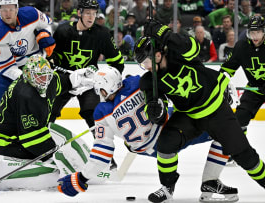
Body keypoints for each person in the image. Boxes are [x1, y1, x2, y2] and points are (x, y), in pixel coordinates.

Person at [57, 66, 239, 202]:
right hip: (175, 125)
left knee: (154, 144)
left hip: (149, 147)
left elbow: (101, 154)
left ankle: (170, 187)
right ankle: (210, 181)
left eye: (100, 90)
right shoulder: (135, 83)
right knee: (226, 134)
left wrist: (81, 178)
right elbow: (169, 81)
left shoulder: (101, 113)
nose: (100, 94)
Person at [133, 20, 265, 202]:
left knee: (244, 155)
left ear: (157, 54)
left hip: (216, 109)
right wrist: (156, 112)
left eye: (146, 61)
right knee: (165, 143)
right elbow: (157, 110)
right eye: (142, 64)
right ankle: (167, 187)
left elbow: (192, 46)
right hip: (189, 115)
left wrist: (164, 33)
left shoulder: (178, 54)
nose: (145, 67)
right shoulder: (149, 81)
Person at [0, 55, 96, 191]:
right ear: (28, 75)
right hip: (6, 141)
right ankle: (6, 174)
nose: (44, 81)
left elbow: (66, 81)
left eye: (46, 76)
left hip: (20, 132)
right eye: (39, 76)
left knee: (58, 142)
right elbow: (30, 139)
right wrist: (54, 153)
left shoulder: (48, 79)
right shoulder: (26, 94)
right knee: (51, 163)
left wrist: (81, 75)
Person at [0, 0, 56, 173]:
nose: (7, 13)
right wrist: (27, 77)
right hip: (9, 75)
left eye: (11, 9)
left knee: (40, 112)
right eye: (3, 10)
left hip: (36, 68)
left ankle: (39, 151)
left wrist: (44, 34)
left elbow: (47, 23)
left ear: (17, 9)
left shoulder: (30, 14)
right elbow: (6, 68)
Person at [50, 0, 124, 130]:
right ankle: (42, 140)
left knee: (94, 115)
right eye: (88, 13)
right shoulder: (63, 31)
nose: (91, 17)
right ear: (79, 13)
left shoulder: (102, 34)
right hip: (65, 78)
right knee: (48, 112)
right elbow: (52, 58)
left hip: (88, 81)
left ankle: (100, 143)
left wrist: (109, 82)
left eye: (94, 13)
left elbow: (117, 61)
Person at [220, 15, 265, 136]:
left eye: (258, 32)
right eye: (252, 33)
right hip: (254, 88)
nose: (255, 37)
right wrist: (222, 83)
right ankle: (241, 152)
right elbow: (227, 68)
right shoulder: (241, 46)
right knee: (239, 120)